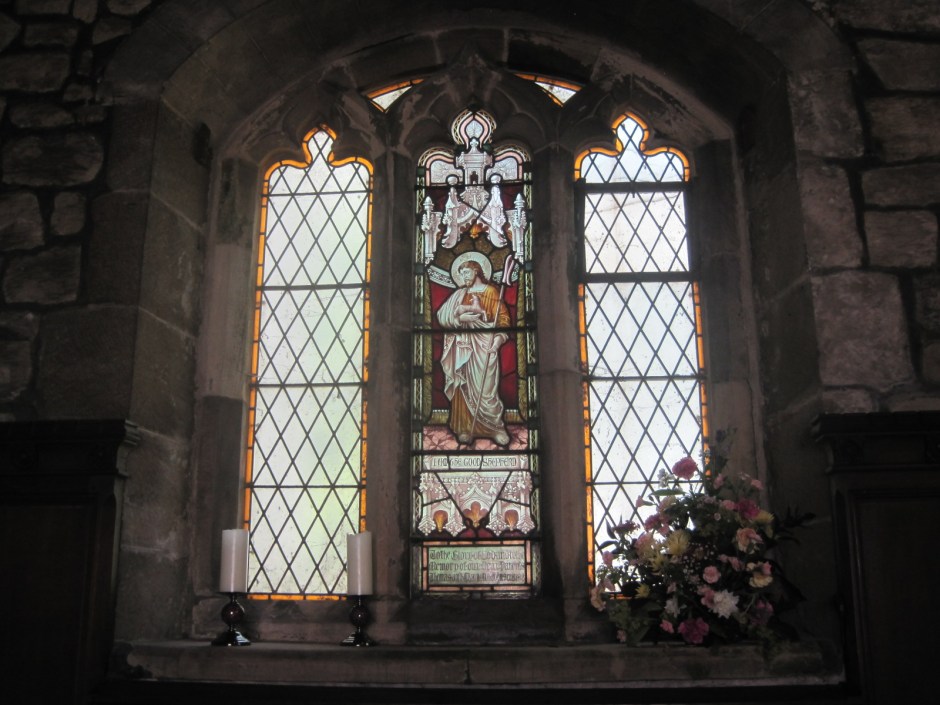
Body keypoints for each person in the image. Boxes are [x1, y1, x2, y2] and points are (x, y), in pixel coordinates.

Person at [437, 252, 511, 446]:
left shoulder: (491, 292)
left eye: (467, 273)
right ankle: (464, 427)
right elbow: (443, 315)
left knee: (487, 390)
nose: (464, 277)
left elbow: (503, 320)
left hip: (485, 346)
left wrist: (497, 341)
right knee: (463, 385)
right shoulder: (459, 294)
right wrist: (459, 318)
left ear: (476, 271)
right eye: (461, 274)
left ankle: (494, 428)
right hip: (463, 347)